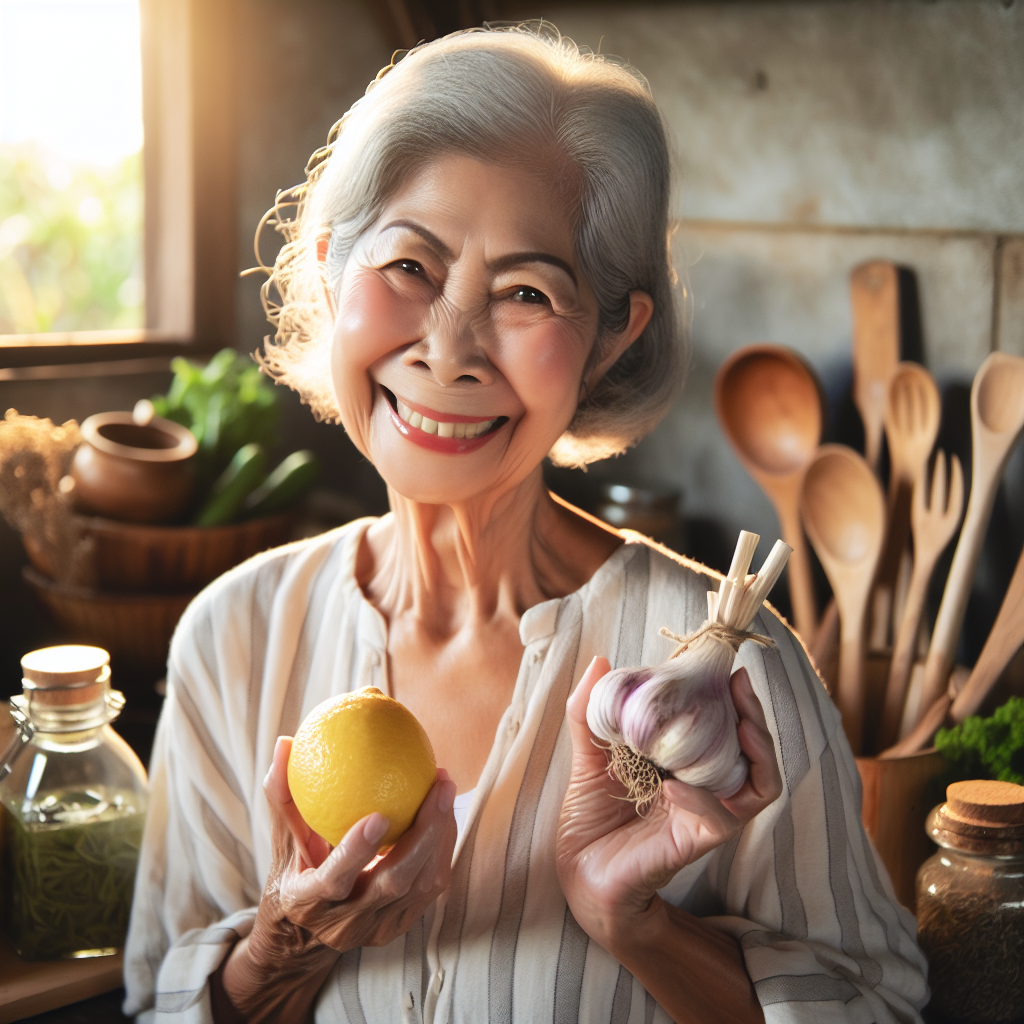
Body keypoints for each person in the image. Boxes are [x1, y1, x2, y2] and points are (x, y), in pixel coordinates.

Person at [123, 24, 928, 1024]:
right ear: (332, 269)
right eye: (410, 266)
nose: (450, 350)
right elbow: (156, 1003)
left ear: (607, 338)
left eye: (525, 291)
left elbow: (880, 1009)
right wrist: (280, 948)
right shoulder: (230, 635)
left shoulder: (732, 666)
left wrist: (636, 922)